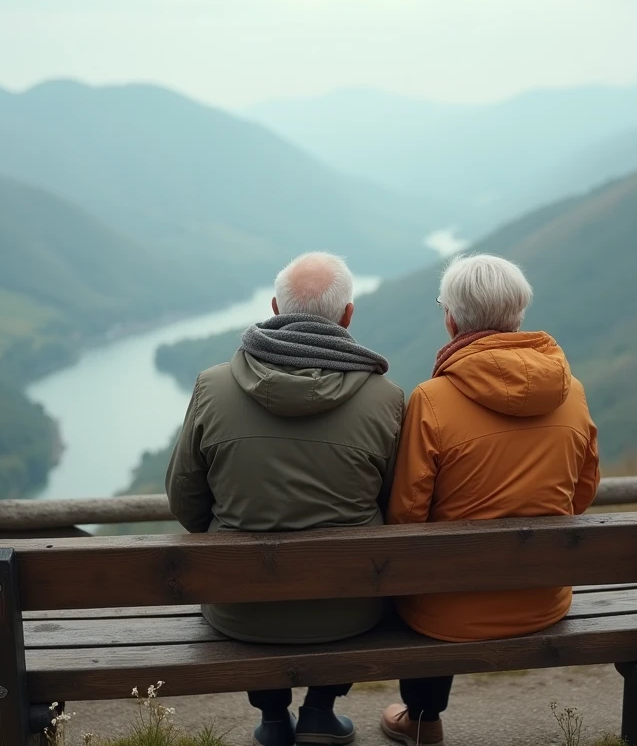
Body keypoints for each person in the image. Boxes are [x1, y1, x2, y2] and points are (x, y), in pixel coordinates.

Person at [165, 251, 404, 746]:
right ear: (348, 315)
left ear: (275, 307)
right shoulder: (386, 399)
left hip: (239, 608)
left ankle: (274, 719)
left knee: (248, 578)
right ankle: (319, 710)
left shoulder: (212, 386)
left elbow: (185, 499)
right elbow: (398, 505)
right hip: (350, 608)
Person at [378, 254, 600, 746]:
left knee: (416, 574)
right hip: (544, 600)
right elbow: (581, 495)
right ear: (518, 315)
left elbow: (407, 517)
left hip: (446, 615)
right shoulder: (573, 392)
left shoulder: (431, 398)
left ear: (452, 319)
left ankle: (423, 718)